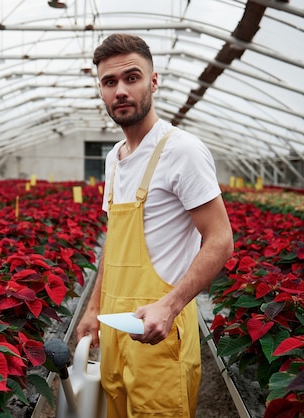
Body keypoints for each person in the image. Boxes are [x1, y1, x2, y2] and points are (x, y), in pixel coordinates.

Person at [76, 33, 234, 418]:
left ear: (154, 81)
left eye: (132, 77)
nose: (121, 91)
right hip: (116, 330)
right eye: (109, 82)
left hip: (159, 334)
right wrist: (93, 308)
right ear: (101, 89)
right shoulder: (114, 158)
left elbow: (220, 240)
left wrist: (171, 304)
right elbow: (115, 241)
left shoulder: (182, 150)